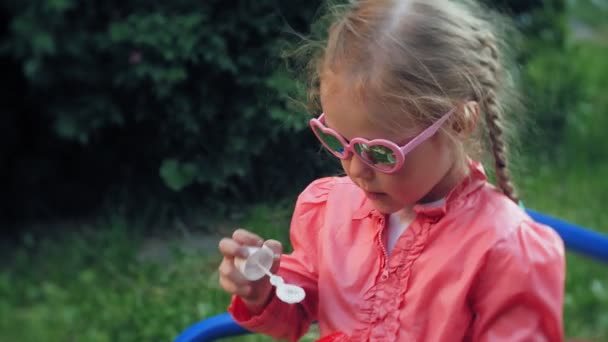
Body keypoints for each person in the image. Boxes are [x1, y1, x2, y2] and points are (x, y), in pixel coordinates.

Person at [217, 0, 565, 340]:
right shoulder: (332, 213)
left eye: (380, 153)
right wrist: (263, 289)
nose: (355, 169)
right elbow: (296, 310)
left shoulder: (503, 250)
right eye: (339, 141)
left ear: (459, 121)